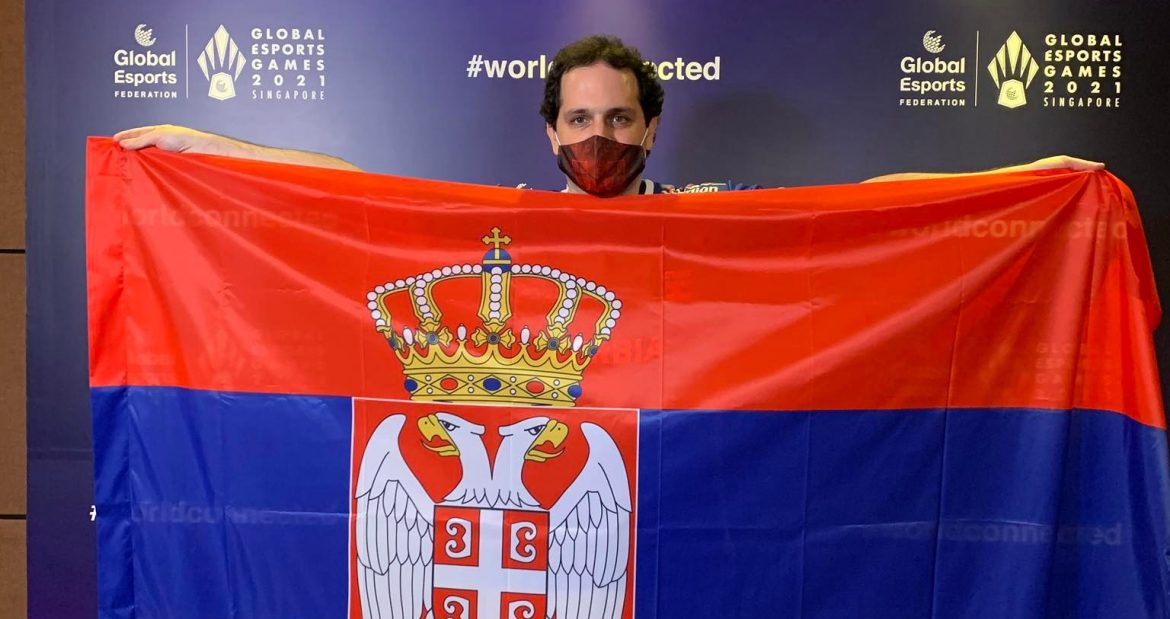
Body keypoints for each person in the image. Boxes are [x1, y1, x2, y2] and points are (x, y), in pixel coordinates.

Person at [114, 34, 1103, 196]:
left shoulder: (714, 213)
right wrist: (206, 147)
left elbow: (868, 204)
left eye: (621, 120)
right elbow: (356, 194)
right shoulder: (507, 227)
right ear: (550, 132)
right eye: (581, 120)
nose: (601, 140)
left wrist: (1019, 183)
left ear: (652, 129)